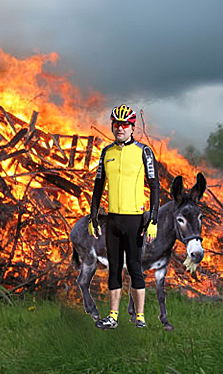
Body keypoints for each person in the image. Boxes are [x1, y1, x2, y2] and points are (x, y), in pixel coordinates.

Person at [88, 105, 159, 329]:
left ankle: (140, 317)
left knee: (135, 267)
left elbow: (155, 186)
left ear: (132, 127)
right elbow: (98, 186)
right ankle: (113, 316)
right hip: (113, 220)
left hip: (135, 220)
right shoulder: (106, 152)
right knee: (114, 268)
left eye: (124, 124)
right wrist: (92, 217)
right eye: (116, 124)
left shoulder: (143, 151)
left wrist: (153, 221)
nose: (120, 128)